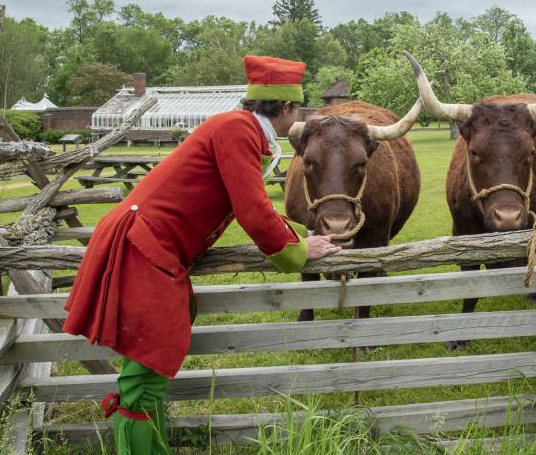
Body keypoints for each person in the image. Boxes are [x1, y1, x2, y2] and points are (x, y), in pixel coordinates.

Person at [62, 55, 341, 454]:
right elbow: (253, 211)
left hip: (149, 245)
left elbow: (250, 203)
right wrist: (298, 250)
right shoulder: (237, 130)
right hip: (145, 247)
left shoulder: (239, 128)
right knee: (144, 374)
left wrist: (300, 234)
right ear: (285, 107)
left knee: (144, 372)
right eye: (296, 108)